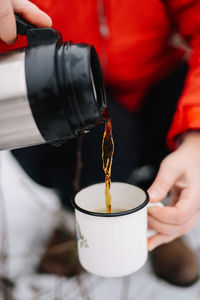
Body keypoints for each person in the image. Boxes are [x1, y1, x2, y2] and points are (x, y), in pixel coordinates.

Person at [1, 0, 200, 286]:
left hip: (153, 88)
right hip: (45, 94)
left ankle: (157, 218)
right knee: (99, 137)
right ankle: (76, 224)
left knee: (170, 111)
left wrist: (196, 137)